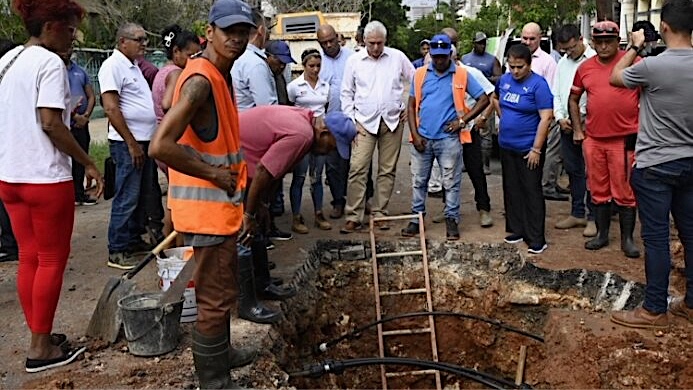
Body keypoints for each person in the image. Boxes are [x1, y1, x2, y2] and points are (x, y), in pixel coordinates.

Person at [148, 0, 258, 386]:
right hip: (207, 216)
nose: (237, 39)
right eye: (229, 31)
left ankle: (223, 355)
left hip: (216, 213)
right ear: (208, 32)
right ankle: (215, 382)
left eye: (244, 32)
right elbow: (160, 146)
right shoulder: (201, 80)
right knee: (212, 303)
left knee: (220, 294)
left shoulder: (213, 74)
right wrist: (216, 175)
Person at [0, 0, 104, 372]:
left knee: (29, 257)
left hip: (11, 178)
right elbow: (51, 122)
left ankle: (39, 333)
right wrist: (89, 161)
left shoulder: (8, 60)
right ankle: (39, 349)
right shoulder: (49, 63)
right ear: (48, 27)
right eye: (69, 28)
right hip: (45, 178)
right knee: (51, 260)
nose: (74, 36)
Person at [609, 0, 693, 329]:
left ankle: (654, 309)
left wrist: (633, 46)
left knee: (656, 239)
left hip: (656, 164)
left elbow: (615, 78)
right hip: (691, 162)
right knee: (690, 235)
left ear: (665, 28)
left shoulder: (653, 66)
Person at [404, 34, 489, 240]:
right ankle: (416, 218)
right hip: (423, 137)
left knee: (451, 181)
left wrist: (462, 121)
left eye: (444, 56)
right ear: (431, 55)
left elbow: (484, 99)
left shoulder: (462, 74)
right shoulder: (420, 74)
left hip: (448, 139)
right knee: (419, 181)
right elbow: (411, 105)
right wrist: (414, 135)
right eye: (436, 57)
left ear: (450, 54)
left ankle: (452, 219)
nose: (440, 61)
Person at [570, 21, 641, 259]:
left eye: (608, 41)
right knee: (598, 189)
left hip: (624, 139)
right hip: (594, 139)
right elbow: (573, 99)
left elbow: (651, 96)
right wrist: (578, 130)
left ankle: (627, 239)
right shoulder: (584, 68)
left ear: (617, 41)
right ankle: (601, 235)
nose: (603, 46)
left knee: (624, 191)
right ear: (592, 42)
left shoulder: (634, 62)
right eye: (598, 41)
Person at [339, 21, 416, 233]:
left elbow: (417, 81)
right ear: (364, 41)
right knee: (358, 167)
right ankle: (354, 215)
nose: (375, 48)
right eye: (371, 43)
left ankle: (380, 212)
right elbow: (346, 92)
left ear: (385, 41)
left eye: (379, 43)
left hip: (392, 122)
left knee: (387, 170)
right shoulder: (354, 61)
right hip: (363, 122)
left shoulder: (397, 57)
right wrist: (352, 120)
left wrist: (409, 108)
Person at [99, 23, 164, 270]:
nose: (144, 44)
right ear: (122, 41)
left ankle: (133, 239)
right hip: (129, 142)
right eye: (139, 39)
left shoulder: (134, 66)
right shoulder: (112, 66)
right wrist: (131, 143)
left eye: (145, 39)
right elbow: (111, 108)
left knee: (142, 194)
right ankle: (117, 248)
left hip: (144, 140)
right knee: (126, 195)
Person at [493, 44, 554, 254]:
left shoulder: (539, 85)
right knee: (511, 188)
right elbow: (495, 99)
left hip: (528, 148)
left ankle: (536, 237)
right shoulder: (504, 80)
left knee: (531, 191)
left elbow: (546, 117)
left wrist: (536, 149)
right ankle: (516, 229)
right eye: (511, 67)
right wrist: (505, 119)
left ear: (529, 64)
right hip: (506, 146)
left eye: (520, 67)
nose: (515, 71)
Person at [151, 24, 201, 246]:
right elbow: (166, 104)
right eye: (190, 55)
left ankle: (170, 245)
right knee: (180, 202)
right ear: (176, 53)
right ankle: (177, 248)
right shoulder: (176, 73)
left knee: (174, 199)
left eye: (197, 55)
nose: (193, 60)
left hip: (163, 142)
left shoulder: (162, 70)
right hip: (173, 144)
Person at [552, 24, 597, 237]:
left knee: (592, 173)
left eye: (571, 48)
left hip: (589, 125)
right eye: (564, 50)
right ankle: (577, 212)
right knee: (573, 170)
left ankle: (593, 217)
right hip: (567, 126)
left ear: (580, 39)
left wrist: (582, 118)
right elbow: (557, 94)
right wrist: (560, 117)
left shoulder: (594, 60)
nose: (568, 53)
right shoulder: (562, 63)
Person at [518, 23, 564, 202]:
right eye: (525, 38)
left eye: (532, 39)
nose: (528, 42)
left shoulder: (547, 62)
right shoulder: (514, 58)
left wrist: (549, 118)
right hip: (521, 121)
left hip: (542, 119)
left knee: (545, 154)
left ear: (540, 38)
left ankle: (546, 185)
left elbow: (553, 92)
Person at [287, 49, 331, 233]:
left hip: (320, 136)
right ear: (303, 66)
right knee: (299, 176)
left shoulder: (325, 86)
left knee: (317, 176)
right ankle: (296, 217)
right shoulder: (295, 86)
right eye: (311, 66)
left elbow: (325, 107)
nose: (315, 70)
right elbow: (289, 108)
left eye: (318, 66)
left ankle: (318, 213)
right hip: (302, 134)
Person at [317, 24, 354, 219]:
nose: (329, 45)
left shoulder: (352, 57)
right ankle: (338, 202)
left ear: (338, 37)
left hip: (352, 121)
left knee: (357, 163)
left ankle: (362, 201)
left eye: (331, 40)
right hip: (330, 124)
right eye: (324, 43)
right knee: (333, 166)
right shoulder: (318, 62)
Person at [462, 31, 502, 176]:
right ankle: (467, 162)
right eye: (479, 43)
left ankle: (485, 164)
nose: (482, 45)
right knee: (465, 133)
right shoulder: (465, 59)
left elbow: (499, 78)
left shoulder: (492, 60)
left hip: (486, 100)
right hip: (468, 102)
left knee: (485, 134)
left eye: (484, 43)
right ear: (474, 43)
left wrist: (484, 78)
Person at [61, 47, 97, 206]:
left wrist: (86, 116)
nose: (67, 52)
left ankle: (79, 193)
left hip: (82, 124)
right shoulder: (56, 70)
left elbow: (91, 96)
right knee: (67, 160)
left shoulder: (80, 71)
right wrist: (74, 116)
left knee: (82, 157)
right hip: (65, 125)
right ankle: (68, 195)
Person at [264, 39, 295, 106]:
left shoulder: (280, 78)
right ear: (268, 57)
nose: (282, 66)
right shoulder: (261, 75)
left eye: (284, 63)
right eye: (280, 62)